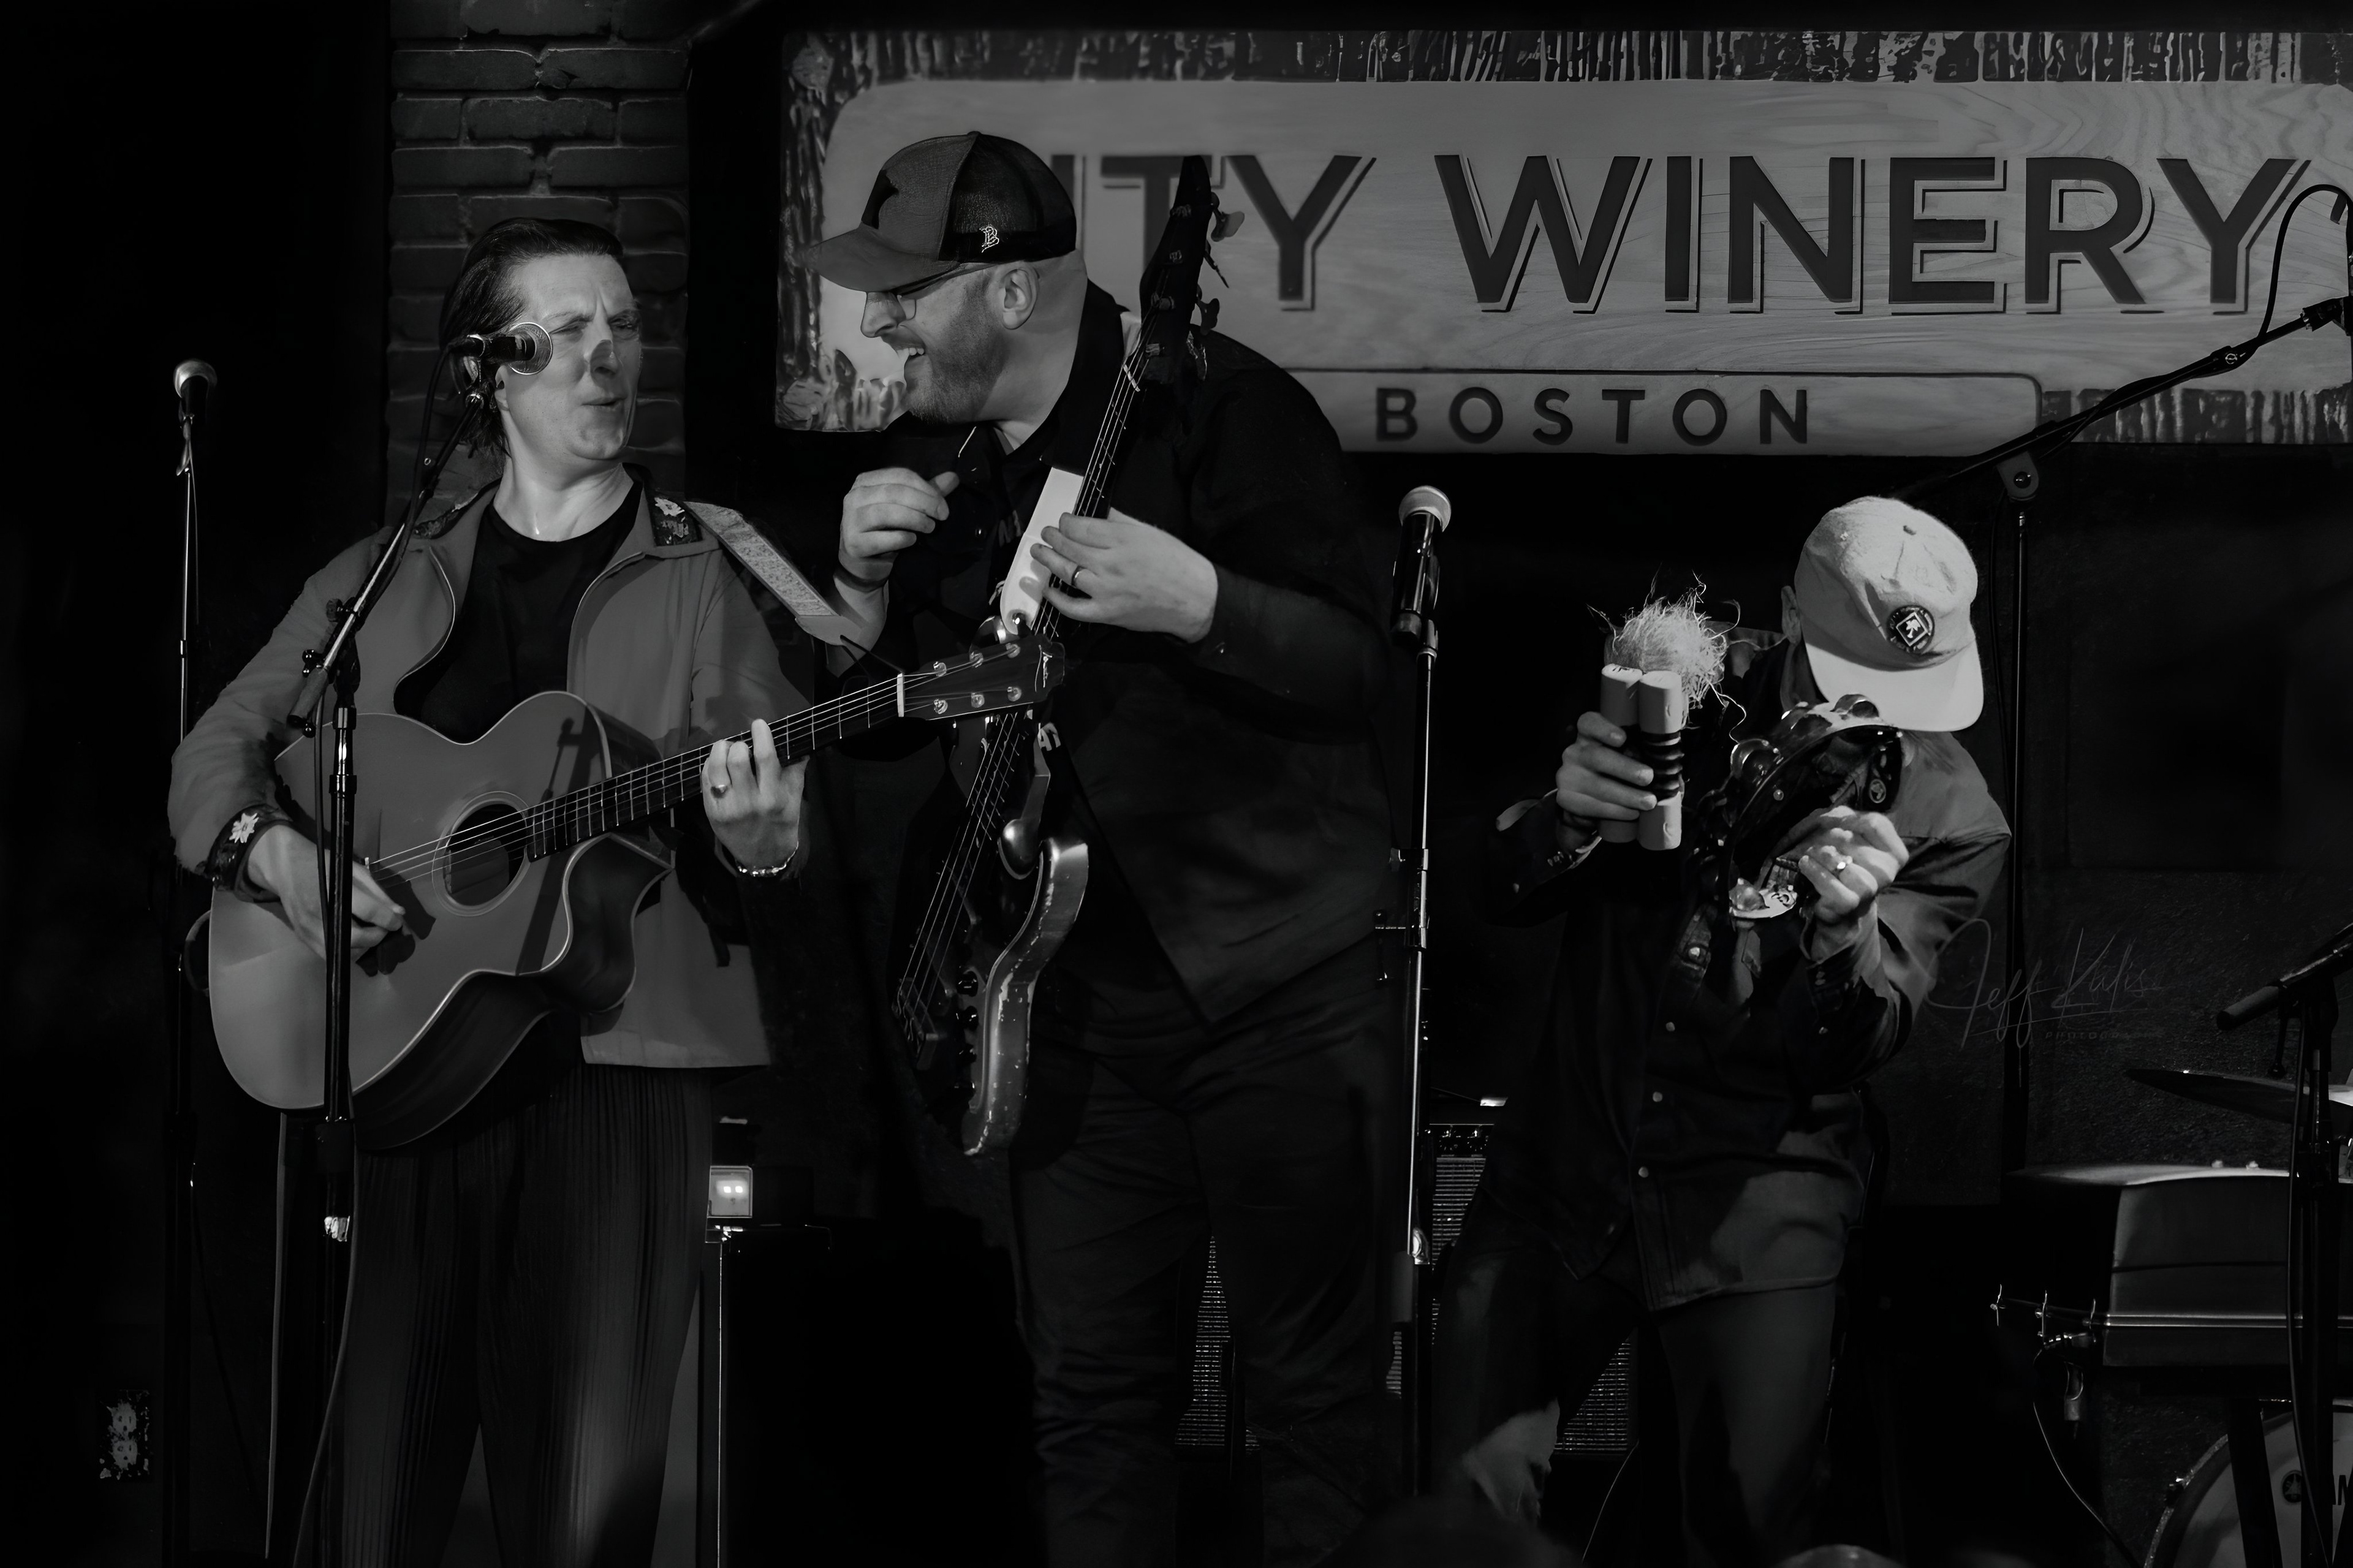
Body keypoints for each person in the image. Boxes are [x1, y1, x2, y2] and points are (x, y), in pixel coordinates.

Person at [168, 218, 812, 1566]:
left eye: (623, 326)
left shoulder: (705, 568)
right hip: (410, 1071)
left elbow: (757, 813)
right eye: (565, 332)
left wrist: (760, 840)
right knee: (368, 1515)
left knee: (580, 1524)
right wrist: (272, 854)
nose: (606, 356)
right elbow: (218, 745)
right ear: (487, 372)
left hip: (617, 1079)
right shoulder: (389, 571)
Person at [799, 134, 1400, 1565]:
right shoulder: (953, 479)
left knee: (1314, 1409)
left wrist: (1203, 601)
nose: (877, 320)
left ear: (1010, 291)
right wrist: (858, 600)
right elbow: (894, 725)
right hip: (1071, 1011)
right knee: (1091, 1410)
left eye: (905, 293)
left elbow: (1368, 667)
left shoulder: (1226, 412)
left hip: (1279, 995)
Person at [1434, 499, 2010, 1566]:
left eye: (1900, 692)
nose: (1869, 716)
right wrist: (1567, 817)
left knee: (1747, 1540)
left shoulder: (1954, 814)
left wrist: (1843, 932)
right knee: (1462, 1517)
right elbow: (1494, 888)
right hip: (1566, 1173)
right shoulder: (1680, 688)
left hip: (1756, 1210)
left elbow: (1852, 1047)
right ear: (1791, 615)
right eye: (1851, 680)